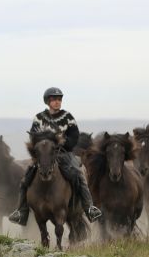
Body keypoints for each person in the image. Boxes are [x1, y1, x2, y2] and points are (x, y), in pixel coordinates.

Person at [8, 87, 102, 225]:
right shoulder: (38, 118)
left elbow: (74, 136)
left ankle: (89, 208)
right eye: (54, 99)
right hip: (43, 155)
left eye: (59, 99)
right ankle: (21, 212)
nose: (57, 102)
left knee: (78, 174)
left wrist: (63, 143)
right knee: (25, 179)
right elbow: (34, 137)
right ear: (47, 101)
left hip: (63, 153)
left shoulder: (68, 117)